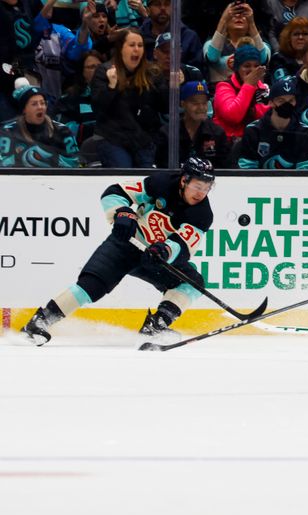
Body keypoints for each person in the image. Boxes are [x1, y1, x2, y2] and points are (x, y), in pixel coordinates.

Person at [20, 157, 216, 346]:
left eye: (207, 188)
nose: (201, 193)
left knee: (192, 283)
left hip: (153, 258)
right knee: (90, 286)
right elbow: (114, 192)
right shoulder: (161, 183)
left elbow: (184, 246)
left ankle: (156, 326)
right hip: (125, 245)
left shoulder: (202, 214)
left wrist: (164, 250)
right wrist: (122, 212)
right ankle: (40, 321)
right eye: (197, 186)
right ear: (184, 180)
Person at [91, 27, 167, 168]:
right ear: (120, 48)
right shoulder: (104, 71)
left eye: (140, 45)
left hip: (143, 140)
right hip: (113, 139)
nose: (136, 49)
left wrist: (174, 86)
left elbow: (165, 106)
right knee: (124, 175)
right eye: (132, 45)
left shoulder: (152, 73)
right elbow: (97, 109)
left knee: (146, 180)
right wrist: (111, 87)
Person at [237, 75, 308, 168]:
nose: (287, 104)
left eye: (291, 100)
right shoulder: (253, 130)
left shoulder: (305, 132)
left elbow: (306, 171)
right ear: (270, 102)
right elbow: (247, 169)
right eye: (281, 101)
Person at [1, 79, 79, 167]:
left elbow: (74, 162)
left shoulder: (63, 131)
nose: (40, 107)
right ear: (24, 109)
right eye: (34, 104)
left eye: (42, 103)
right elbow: (4, 163)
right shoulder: (8, 131)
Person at [155, 80, 230, 168]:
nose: (201, 108)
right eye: (195, 103)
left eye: (204, 103)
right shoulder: (167, 133)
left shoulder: (217, 133)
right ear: (183, 104)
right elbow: (161, 168)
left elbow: (226, 168)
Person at [212, 38, 270, 142]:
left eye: (256, 66)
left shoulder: (264, 88)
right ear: (237, 68)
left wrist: (254, 111)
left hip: (256, 141)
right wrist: (248, 85)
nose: (252, 70)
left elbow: (269, 117)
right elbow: (233, 116)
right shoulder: (224, 87)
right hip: (228, 144)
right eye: (247, 66)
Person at [203, 1, 270, 89]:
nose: (239, 16)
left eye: (243, 15)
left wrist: (252, 24)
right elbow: (212, 57)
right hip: (220, 94)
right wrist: (223, 19)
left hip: (253, 93)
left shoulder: (261, 45)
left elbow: (263, 58)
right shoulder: (211, 43)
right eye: (234, 14)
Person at [51, 49, 103, 146]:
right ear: (82, 72)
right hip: (82, 152)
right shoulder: (69, 98)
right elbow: (62, 128)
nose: (96, 70)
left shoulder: (113, 93)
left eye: (99, 66)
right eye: (91, 67)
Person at [139, 0, 203, 69]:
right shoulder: (139, 38)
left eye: (167, 4)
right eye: (157, 4)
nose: (163, 8)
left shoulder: (189, 37)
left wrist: (184, 73)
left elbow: (199, 71)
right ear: (148, 10)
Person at [268, 15, 308, 83]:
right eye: (296, 34)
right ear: (289, 38)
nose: (300, 37)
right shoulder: (278, 59)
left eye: (305, 34)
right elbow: (282, 84)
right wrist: (301, 74)